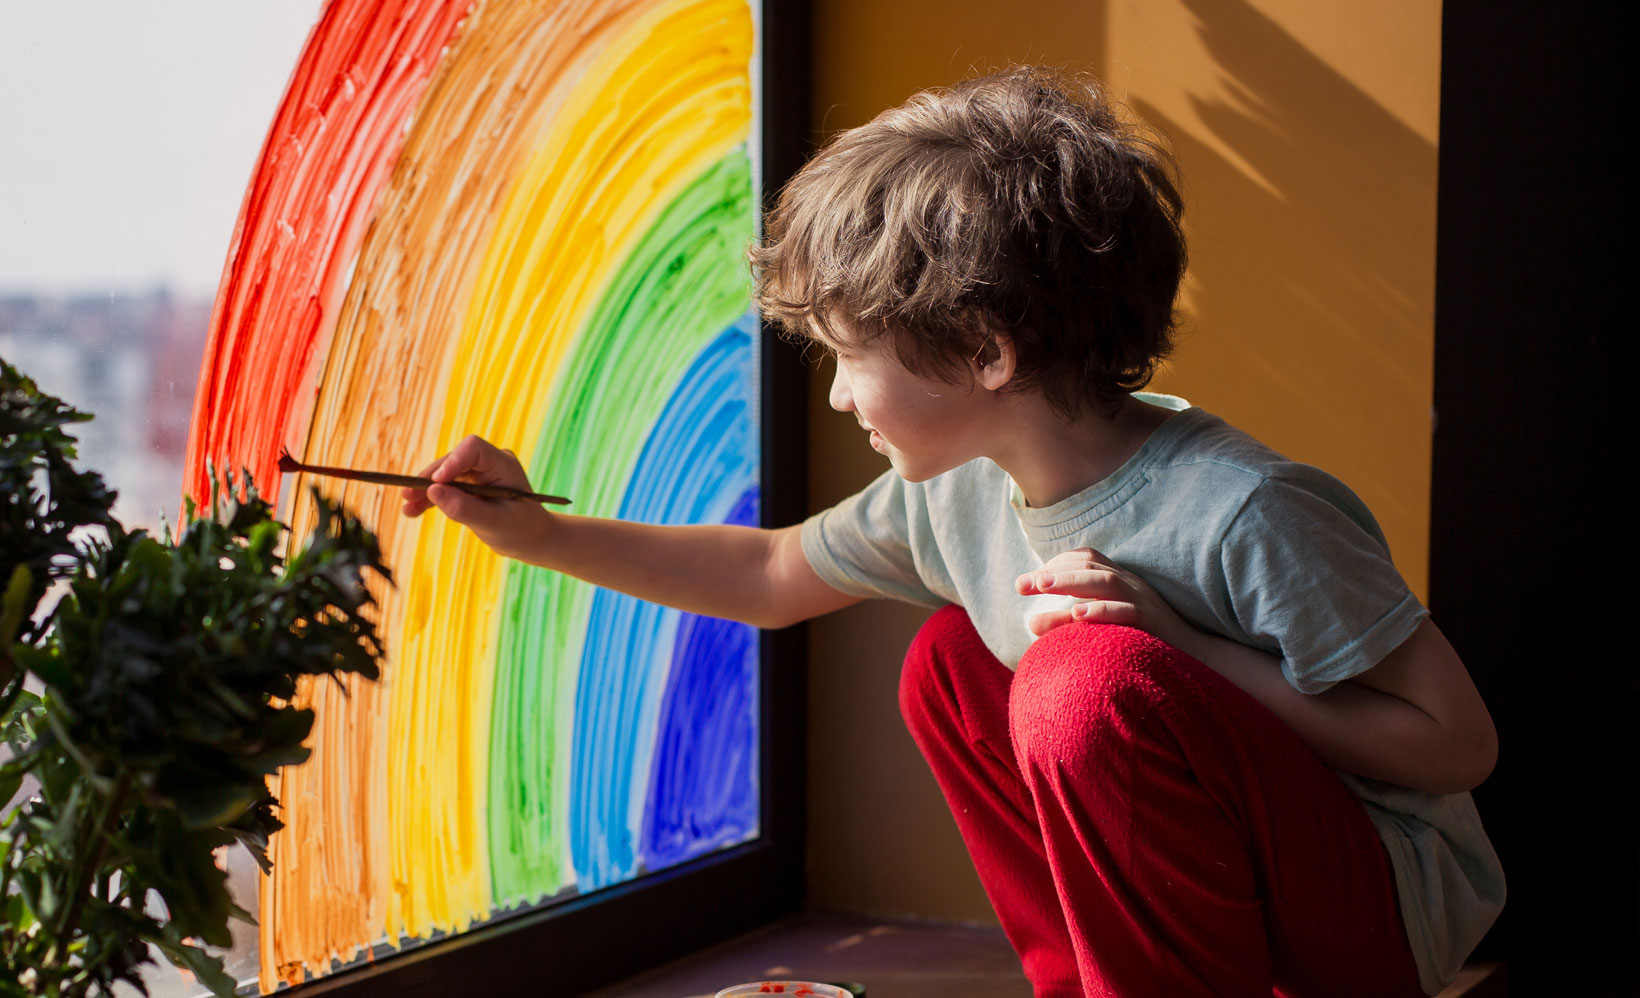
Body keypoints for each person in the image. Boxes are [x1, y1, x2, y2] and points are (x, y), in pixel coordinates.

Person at [401, 66, 1503, 998]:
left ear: (984, 350)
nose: (836, 397)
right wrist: (533, 533)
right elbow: (775, 568)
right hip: (1229, 888)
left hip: (1377, 916)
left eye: (849, 356)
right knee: (950, 661)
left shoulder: (1243, 509)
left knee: (1084, 684)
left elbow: (1457, 743)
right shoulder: (957, 491)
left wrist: (1187, 650)